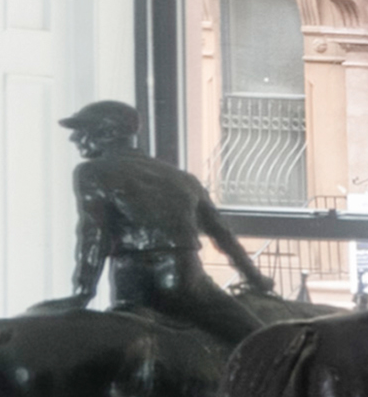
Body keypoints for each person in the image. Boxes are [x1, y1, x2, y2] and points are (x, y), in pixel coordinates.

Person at [49, 100, 281, 348]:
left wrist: (83, 292)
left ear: (110, 133)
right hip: (186, 282)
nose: (75, 138)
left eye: (84, 130)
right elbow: (223, 235)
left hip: (135, 287)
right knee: (265, 345)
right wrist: (255, 279)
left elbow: (93, 236)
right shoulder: (183, 179)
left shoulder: (92, 171)